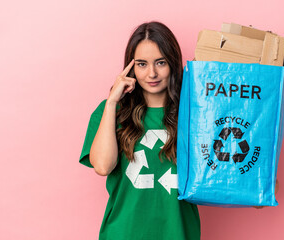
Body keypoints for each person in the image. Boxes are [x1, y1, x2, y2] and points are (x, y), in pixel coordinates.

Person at [79, 21, 200, 240]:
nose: (152, 73)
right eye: (142, 64)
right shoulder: (111, 112)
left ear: (173, 63)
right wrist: (112, 101)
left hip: (178, 233)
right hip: (123, 233)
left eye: (160, 62)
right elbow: (103, 166)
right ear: (131, 67)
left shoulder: (195, 113)